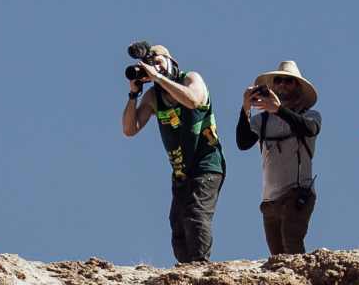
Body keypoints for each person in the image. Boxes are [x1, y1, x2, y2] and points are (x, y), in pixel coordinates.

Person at [121, 43, 225, 263]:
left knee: (195, 214)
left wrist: (159, 78)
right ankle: (186, 270)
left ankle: (200, 267)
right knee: (177, 223)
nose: (154, 67)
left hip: (206, 163)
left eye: (157, 61)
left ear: (172, 62)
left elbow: (193, 100)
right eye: (150, 65)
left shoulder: (191, 78)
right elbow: (130, 130)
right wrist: (133, 94)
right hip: (181, 171)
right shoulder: (153, 97)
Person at [236, 61, 321, 255]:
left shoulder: (310, 115)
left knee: (291, 242)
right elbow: (243, 143)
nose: (282, 85)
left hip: (297, 193)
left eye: (288, 81)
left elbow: (309, 129)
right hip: (270, 201)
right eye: (278, 80)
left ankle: (303, 281)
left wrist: (279, 109)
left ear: (298, 87)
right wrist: (245, 109)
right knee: (277, 256)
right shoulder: (263, 120)